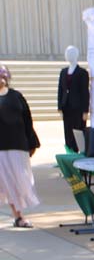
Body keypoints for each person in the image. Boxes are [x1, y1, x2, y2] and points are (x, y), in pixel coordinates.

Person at [0, 65, 41, 228]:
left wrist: (32, 143)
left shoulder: (16, 96)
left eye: (3, 76)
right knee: (5, 182)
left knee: (16, 182)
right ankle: (18, 216)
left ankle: (19, 216)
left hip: (17, 145)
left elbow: (27, 121)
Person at [57, 45, 90, 153]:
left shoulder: (82, 73)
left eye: (70, 53)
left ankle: (79, 151)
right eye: (67, 53)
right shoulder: (63, 72)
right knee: (67, 131)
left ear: (76, 55)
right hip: (66, 107)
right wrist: (60, 107)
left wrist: (85, 110)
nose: (68, 55)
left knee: (78, 131)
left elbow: (85, 92)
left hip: (78, 108)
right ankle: (69, 150)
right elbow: (60, 90)